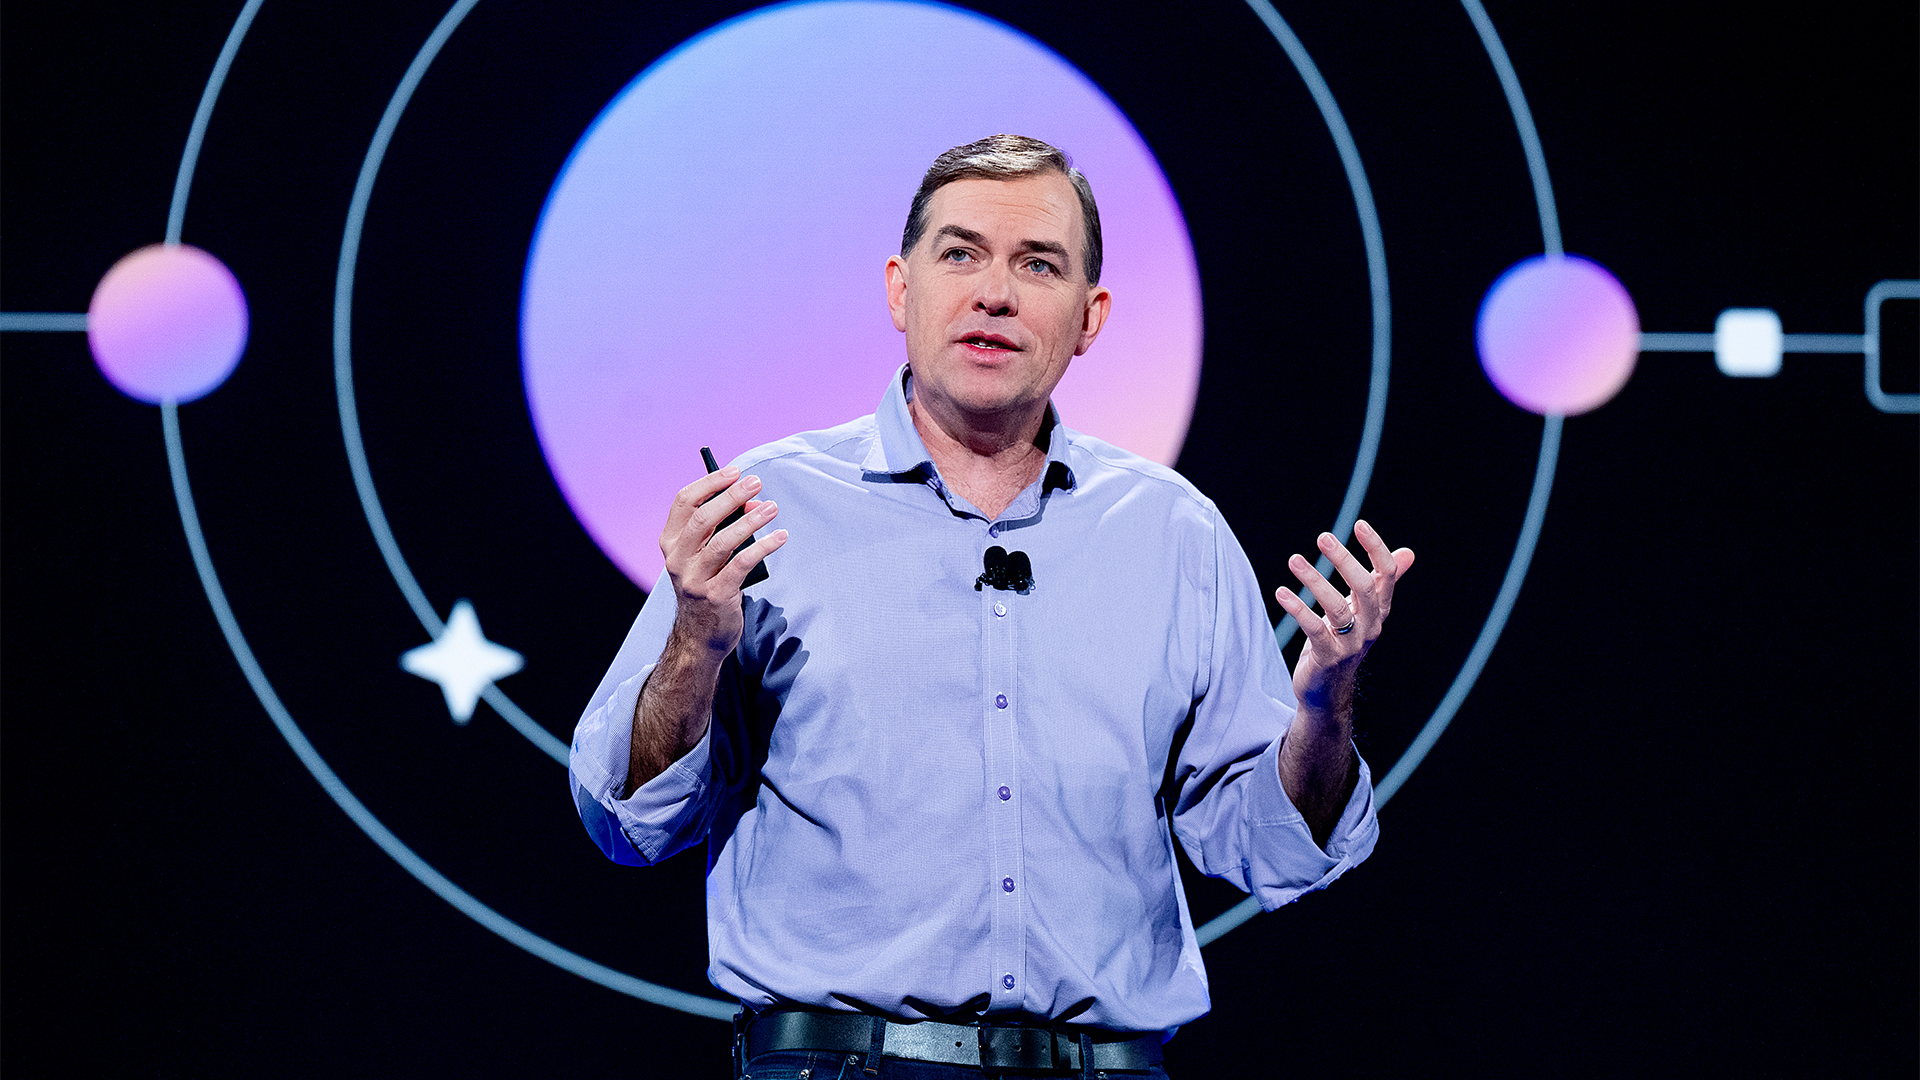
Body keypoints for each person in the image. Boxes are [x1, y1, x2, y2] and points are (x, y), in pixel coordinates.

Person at [569, 134, 1414, 1079]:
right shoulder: (767, 509)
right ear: (900, 289)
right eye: (960, 254)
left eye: (1038, 264)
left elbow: (1272, 853)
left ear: (1090, 317)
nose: (994, 293)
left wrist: (1323, 701)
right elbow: (625, 820)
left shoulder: (1174, 532)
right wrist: (695, 642)